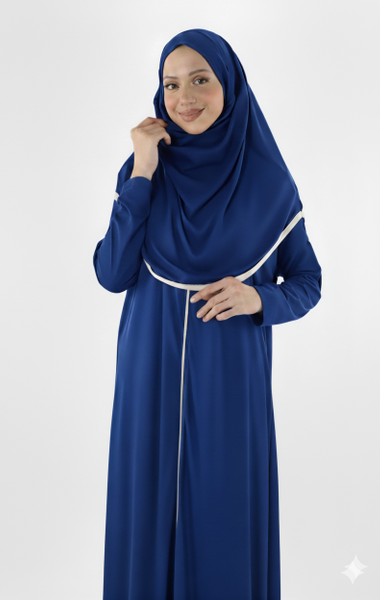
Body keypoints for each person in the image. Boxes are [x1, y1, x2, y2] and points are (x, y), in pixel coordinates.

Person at [93, 28, 322, 600]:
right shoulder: (145, 172)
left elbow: (308, 281)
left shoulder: (269, 183)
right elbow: (112, 273)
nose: (185, 98)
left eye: (201, 80)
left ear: (231, 86)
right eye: (171, 84)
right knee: (146, 512)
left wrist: (260, 299)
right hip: (147, 378)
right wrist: (142, 170)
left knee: (223, 514)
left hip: (231, 386)